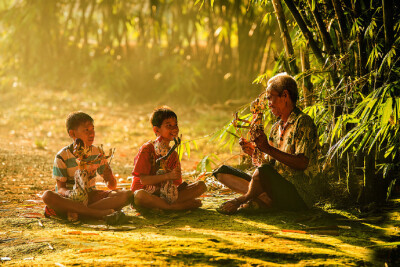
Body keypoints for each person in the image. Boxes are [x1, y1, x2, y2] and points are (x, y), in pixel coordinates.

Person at [214, 73, 320, 214]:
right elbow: (269, 164)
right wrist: (253, 152)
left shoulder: (303, 122)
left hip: (298, 195)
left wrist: (267, 149)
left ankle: (244, 199)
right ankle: (263, 199)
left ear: (285, 95)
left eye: (270, 97)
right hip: (274, 186)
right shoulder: (276, 128)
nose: (268, 103)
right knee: (222, 172)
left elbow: (302, 163)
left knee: (263, 171)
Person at [42, 111, 133, 222]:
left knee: (126, 195)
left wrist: (109, 177)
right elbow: (61, 188)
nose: (92, 133)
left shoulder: (96, 153)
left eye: (93, 129)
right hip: (69, 198)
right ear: (72, 134)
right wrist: (72, 194)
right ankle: (96, 213)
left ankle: (79, 213)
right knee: (47, 196)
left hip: (91, 196)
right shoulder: (62, 156)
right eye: (86, 130)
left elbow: (112, 186)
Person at [131, 106, 207, 210]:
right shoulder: (148, 149)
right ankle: (176, 207)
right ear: (156, 129)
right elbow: (143, 180)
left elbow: (175, 185)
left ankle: (162, 206)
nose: (174, 128)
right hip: (146, 192)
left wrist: (177, 182)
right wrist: (168, 176)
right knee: (140, 196)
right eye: (169, 125)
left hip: (164, 194)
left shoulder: (173, 154)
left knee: (201, 186)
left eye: (175, 125)